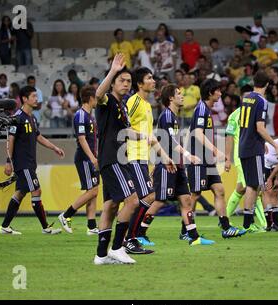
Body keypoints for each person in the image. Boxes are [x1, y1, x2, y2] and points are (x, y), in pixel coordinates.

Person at [135, 84, 215, 245]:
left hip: (177, 166)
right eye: (178, 93)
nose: (182, 96)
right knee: (159, 200)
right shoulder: (167, 116)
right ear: (171, 98)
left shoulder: (173, 117)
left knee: (186, 200)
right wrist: (188, 155)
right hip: (167, 165)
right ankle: (139, 234)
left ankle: (194, 237)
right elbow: (170, 142)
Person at [92, 54, 139, 264]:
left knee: (110, 206)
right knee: (133, 200)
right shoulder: (107, 100)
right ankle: (118, 247)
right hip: (112, 159)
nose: (126, 84)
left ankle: (101, 255)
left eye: (128, 81)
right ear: (113, 83)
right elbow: (98, 94)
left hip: (120, 158)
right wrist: (112, 71)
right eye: (122, 80)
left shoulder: (124, 106)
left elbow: (126, 130)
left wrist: (145, 137)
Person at [123, 67, 175, 253]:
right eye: (149, 78)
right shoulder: (133, 102)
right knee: (148, 196)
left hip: (143, 157)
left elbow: (151, 137)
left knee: (136, 199)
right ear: (140, 83)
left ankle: (127, 239)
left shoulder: (147, 105)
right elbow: (123, 127)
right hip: (133, 156)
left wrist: (165, 157)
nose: (153, 81)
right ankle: (131, 238)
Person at [0, 86, 65, 235]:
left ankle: (4, 226)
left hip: (30, 163)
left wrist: (54, 147)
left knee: (20, 193)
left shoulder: (32, 118)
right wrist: (8, 161)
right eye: (34, 96)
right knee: (36, 190)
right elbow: (10, 140)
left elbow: (38, 136)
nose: (37, 99)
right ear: (25, 99)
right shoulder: (17, 118)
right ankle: (46, 227)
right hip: (23, 163)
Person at [187, 79, 245, 239]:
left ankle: (226, 227)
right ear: (210, 92)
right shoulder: (201, 109)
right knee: (195, 194)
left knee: (219, 190)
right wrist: (215, 150)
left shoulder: (206, 110)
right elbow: (198, 134)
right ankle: (186, 230)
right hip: (198, 158)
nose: (220, 93)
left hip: (207, 160)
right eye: (218, 91)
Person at [238, 71, 278, 231]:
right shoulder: (262, 101)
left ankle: (248, 222)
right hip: (252, 147)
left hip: (243, 145)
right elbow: (259, 127)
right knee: (254, 185)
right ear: (267, 85)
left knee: (253, 184)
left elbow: (245, 123)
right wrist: (274, 145)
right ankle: (248, 222)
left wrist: (261, 141)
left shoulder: (246, 97)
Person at [58, 85, 100, 235]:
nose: (98, 100)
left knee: (93, 191)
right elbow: (81, 139)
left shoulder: (90, 116)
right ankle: (66, 215)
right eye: (96, 97)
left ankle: (91, 226)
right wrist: (92, 158)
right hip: (84, 158)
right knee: (93, 190)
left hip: (91, 158)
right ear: (90, 98)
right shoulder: (81, 115)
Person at [225, 84, 266, 232]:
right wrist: (227, 159)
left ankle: (224, 218)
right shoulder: (235, 115)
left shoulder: (246, 114)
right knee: (253, 187)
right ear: (243, 98)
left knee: (242, 188)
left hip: (246, 153)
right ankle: (263, 224)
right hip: (242, 155)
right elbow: (229, 137)